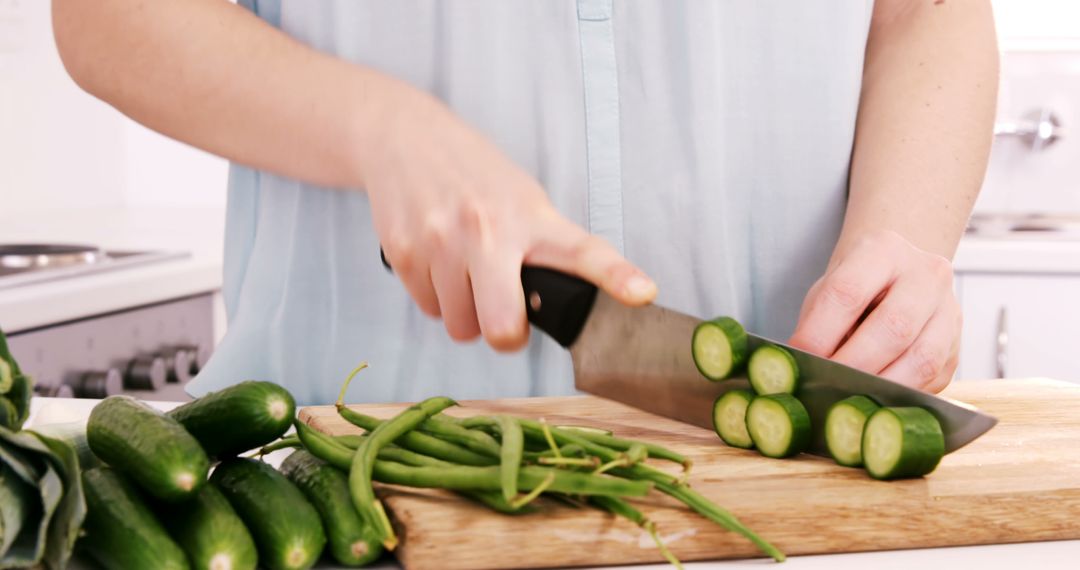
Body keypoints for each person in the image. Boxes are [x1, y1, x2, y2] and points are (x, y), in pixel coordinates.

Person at [52, 1, 998, 405]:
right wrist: (383, 131)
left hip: (786, 500)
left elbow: (928, 13)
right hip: (357, 485)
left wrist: (901, 238)